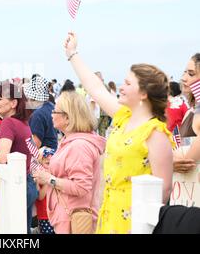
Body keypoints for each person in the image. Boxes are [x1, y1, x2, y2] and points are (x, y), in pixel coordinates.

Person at [64, 31, 174, 234]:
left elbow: (164, 190)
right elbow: (95, 88)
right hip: (109, 213)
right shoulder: (123, 116)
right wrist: (72, 53)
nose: (121, 88)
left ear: (144, 94)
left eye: (128, 84)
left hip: (135, 223)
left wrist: (141, 226)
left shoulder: (155, 134)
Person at [33, 91, 106, 234]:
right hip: (68, 216)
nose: (51, 114)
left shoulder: (79, 146)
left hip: (74, 220)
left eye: (55, 111)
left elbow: (81, 187)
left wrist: (49, 179)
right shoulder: (70, 141)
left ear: (67, 118)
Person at [0, 81, 37, 234]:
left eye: (0, 98)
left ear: (13, 102)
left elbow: (3, 157)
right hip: (28, 184)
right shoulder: (23, 123)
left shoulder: (8, 122)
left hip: (17, 186)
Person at [173, 53, 200, 173]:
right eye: (184, 72)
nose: (184, 78)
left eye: (191, 74)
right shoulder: (190, 111)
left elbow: (187, 162)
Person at [24, 76, 58, 151]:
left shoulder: (37, 115)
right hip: (53, 151)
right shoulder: (51, 106)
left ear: (32, 97)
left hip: (44, 155)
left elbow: (35, 144)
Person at [35, 147, 56, 234]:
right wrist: (47, 181)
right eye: (47, 163)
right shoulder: (40, 176)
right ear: (41, 163)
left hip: (56, 214)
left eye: (52, 163)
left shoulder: (56, 174)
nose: (50, 166)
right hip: (45, 215)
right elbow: (40, 196)